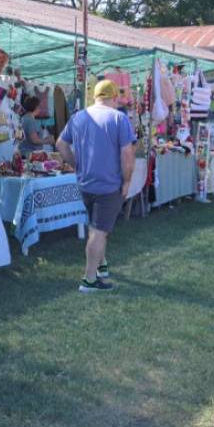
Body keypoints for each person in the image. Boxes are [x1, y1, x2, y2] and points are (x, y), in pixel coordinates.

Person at [56, 80, 136, 293]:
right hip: (108, 185)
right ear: (114, 97)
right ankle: (89, 280)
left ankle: (101, 266)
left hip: (86, 183)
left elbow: (61, 144)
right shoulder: (119, 118)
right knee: (98, 232)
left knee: (97, 227)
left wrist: (76, 165)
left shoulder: (78, 117)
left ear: (95, 96)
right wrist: (127, 181)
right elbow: (127, 155)